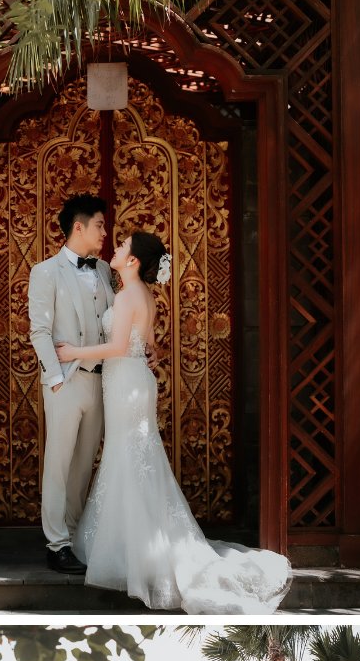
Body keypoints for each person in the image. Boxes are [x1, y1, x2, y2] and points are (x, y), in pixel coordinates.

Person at [56, 230, 292, 612]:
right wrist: (146, 355)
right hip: (134, 379)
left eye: (121, 247)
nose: (114, 250)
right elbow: (150, 345)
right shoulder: (142, 296)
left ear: (132, 261)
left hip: (126, 382)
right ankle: (136, 543)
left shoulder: (128, 295)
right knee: (134, 457)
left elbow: (117, 347)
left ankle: (133, 553)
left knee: (128, 457)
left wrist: (72, 352)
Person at [28, 194, 114, 574]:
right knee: (59, 464)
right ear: (78, 227)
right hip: (66, 382)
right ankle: (57, 543)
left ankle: (76, 536)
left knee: (83, 464)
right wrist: (55, 378)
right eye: (99, 225)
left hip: (101, 381)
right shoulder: (45, 272)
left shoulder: (104, 271)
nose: (104, 232)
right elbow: (40, 330)